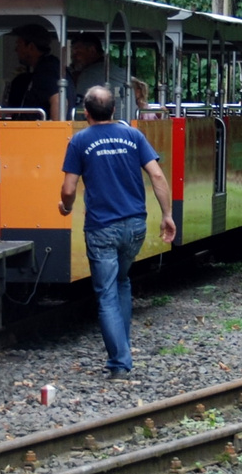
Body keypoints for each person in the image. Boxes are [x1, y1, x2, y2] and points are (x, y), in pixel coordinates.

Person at [59, 85, 175, 381]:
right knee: (121, 281)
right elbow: (157, 174)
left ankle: (120, 362)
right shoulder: (133, 135)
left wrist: (66, 206)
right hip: (134, 225)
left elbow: (69, 188)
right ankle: (122, 348)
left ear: (85, 113)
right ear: (114, 110)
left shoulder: (80, 140)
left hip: (102, 229)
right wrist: (167, 215)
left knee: (107, 293)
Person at [6, 23, 61, 115]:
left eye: (19, 44)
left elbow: (58, 100)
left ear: (31, 47)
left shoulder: (48, 70)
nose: (16, 49)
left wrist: (55, 128)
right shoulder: (43, 68)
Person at [69, 34, 129, 105]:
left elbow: (77, 105)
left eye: (77, 52)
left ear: (92, 50)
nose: (73, 56)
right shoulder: (120, 73)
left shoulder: (88, 74)